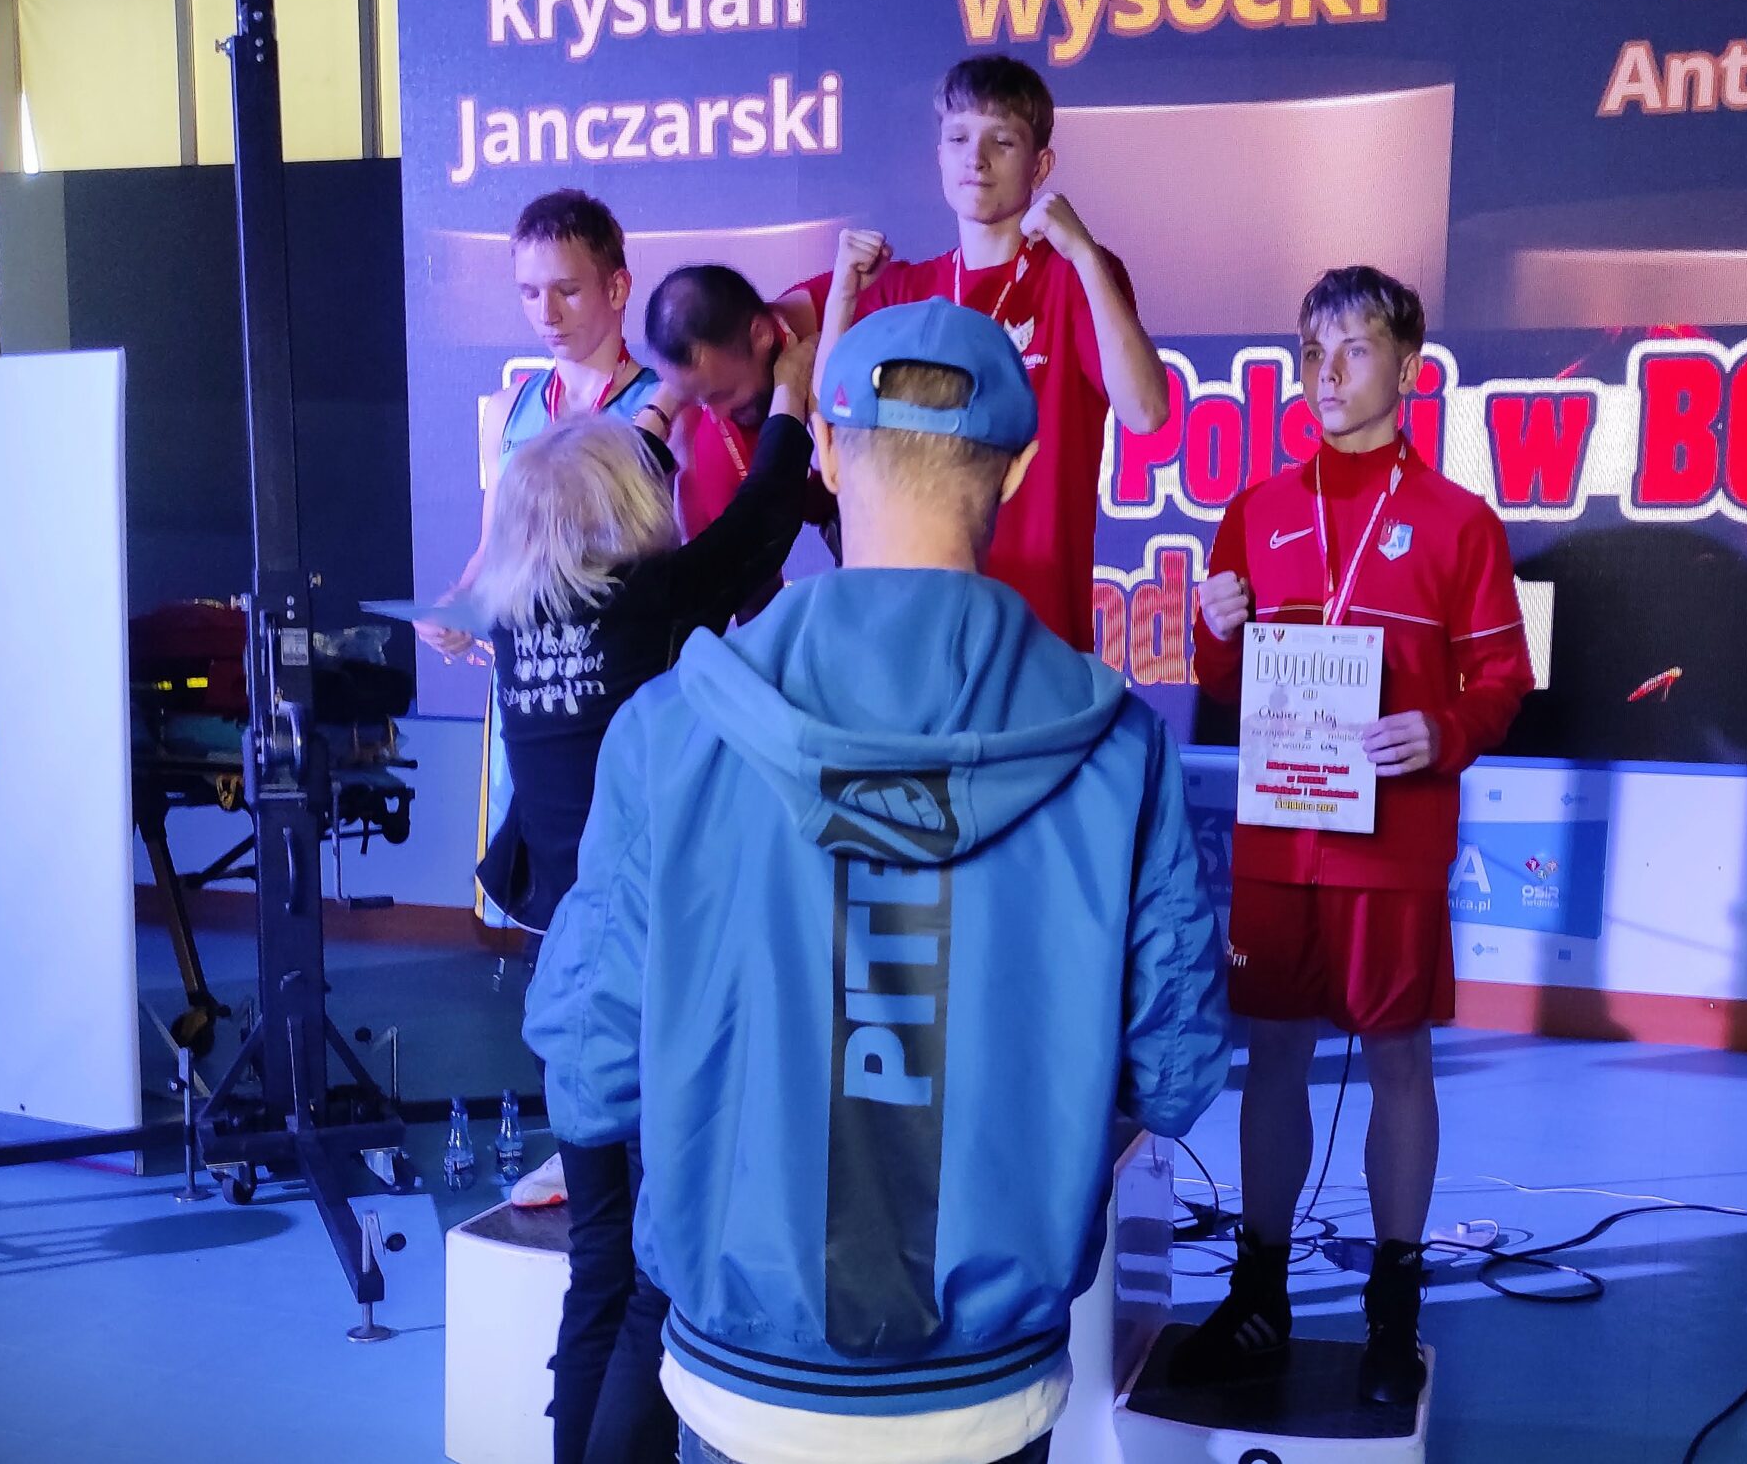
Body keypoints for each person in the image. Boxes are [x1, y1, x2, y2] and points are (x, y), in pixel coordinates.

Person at [526, 299, 1230, 1464]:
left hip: (744, 1375)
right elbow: (1178, 1071)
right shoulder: (1120, 749)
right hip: (986, 1388)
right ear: (1016, 469)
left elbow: (590, 1075)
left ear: (827, 450)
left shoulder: (672, 727)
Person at [1172, 268, 1533, 1406]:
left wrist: (1442, 728)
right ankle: (1260, 1294)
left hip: (1392, 840)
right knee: (1273, 1054)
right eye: (1311, 352)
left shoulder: (1459, 522)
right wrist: (1213, 628)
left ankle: (1393, 1304)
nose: (1326, 374)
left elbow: (1501, 679)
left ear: (1409, 369)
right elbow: (1223, 680)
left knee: (1397, 1059)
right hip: (1281, 838)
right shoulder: (1256, 510)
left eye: (1354, 349)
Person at [468, 344, 816, 1464]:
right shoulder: (649, 600)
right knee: (656, 1283)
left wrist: (663, 401)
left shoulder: (521, 620)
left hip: (571, 982)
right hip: (656, 978)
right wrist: (791, 388)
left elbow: (594, 483)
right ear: (626, 507)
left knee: (599, 1270)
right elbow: (763, 517)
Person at [775, 54, 1169, 653]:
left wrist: (1086, 255)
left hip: (1037, 629)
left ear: (1041, 165)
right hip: (914, 626)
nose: (976, 159)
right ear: (938, 154)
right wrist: (843, 300)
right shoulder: (908, 290)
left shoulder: (1071, 277)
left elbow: (1146, 412)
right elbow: (833, 428)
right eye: (958, 138)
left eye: (1001, 141)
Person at [420, 190, 659, 935]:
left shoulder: (664, 406)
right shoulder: (510, 408)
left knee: (630, 903)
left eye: (566, 289)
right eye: (528, 292)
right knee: (546, 914)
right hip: (533, 691)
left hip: (623, 691)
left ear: (617, 287)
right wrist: (459, 607)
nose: (546, 313)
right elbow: (493, 549)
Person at [642, 264, 838, 608]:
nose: (716, 414)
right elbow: (751, 603)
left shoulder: (864, 300)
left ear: (761, 334)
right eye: (698, 400)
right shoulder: (716, 448)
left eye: (722, 393)